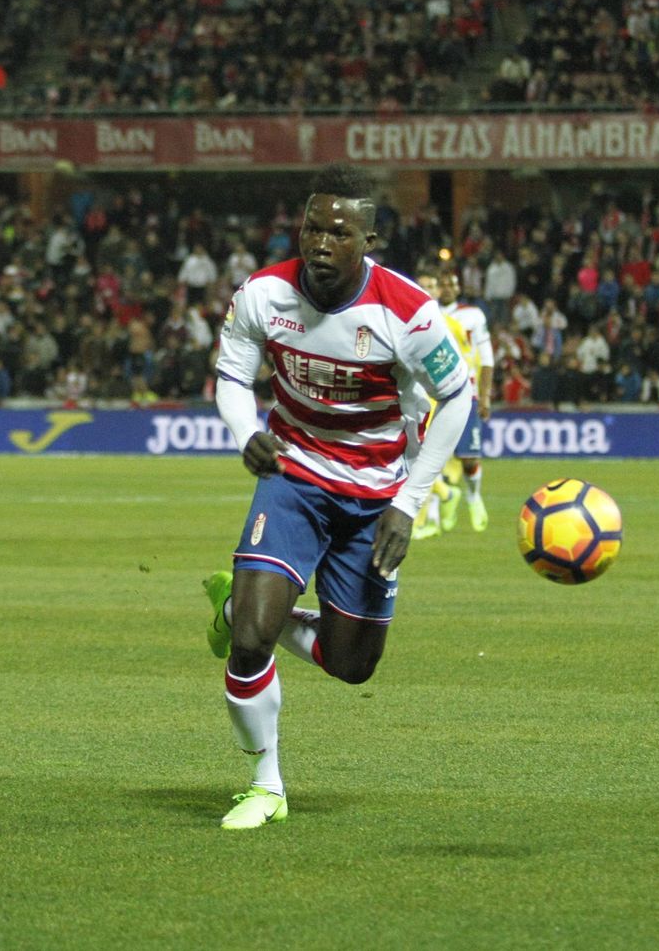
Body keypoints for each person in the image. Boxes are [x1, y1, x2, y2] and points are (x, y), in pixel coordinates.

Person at [201, 165, 473, 829]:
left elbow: (459, 395)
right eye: (312, 227)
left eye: (339, 232)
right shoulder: (263, 296)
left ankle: (238, 604)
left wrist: (410, 503)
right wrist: (246, 433)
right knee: (250, 643)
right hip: (294, 480)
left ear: (369, 239)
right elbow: (232, 376)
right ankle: (266, 784)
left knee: (352, 665)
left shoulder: (407, 313)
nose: (321, 242)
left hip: (376, 498)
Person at [433, 268, 494, 531]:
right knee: (429, 457)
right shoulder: (425, 312)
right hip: (432, 395)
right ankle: (434, 516)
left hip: (465, 393)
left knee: (469, 457)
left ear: (458, 289)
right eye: (442, 284)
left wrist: (486, 395)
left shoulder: (472, 315)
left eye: (451, 284)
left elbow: (487, 358)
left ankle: (473, 496)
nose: (446, 288)